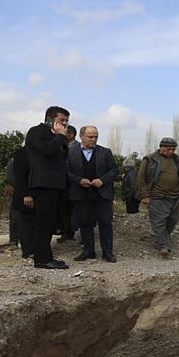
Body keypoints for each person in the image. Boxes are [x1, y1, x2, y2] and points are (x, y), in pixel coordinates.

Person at [25, 106, 70, 269]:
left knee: (50, 222)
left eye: (66, 121)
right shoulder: (36, 132)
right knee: (43, 222)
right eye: (61, 120)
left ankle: (46, 256)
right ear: (49, 119)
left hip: (55, 185)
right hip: (43, 184)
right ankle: (42, 259)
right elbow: (47, 151)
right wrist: (59, 137)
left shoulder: (57, 137)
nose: (64, 124)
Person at [67, 126, 118, 262]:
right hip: (81, 194)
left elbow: (113, 171)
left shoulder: (105, 152)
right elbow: (65, 172)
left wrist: (102, 180)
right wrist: (79, 180)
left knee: (105, 224)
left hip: (102, 195)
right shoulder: (70, 152)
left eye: (96, 136)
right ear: (81, 137)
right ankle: (88, 251)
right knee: (85, 224)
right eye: (90, 137)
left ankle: (107, 252)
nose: (94, 139)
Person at [137, 137, 179, 257]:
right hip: (157, 197)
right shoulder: (150, 159)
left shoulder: (175, 159)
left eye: (173, 149)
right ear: (161, 147)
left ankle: (160, 241)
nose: (171, 151)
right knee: (158, 222)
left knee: (172, 221)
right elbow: (140, 178)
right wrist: (144, 196)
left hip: (174, 197)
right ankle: (163, 246)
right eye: (168, 149)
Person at [11, 146, 35, 259]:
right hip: (25, 195)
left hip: (38, 195)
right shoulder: (22, 153)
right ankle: (27, 250)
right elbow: (19, 176)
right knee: (26, 222)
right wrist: (26, 194)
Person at [57, 125, 78, 243]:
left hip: (75, 184)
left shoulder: (78, 148)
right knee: (63, 209)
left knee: (77, 210)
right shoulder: (61, 147)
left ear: (71, 135)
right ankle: (66, 232)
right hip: (63, 185)